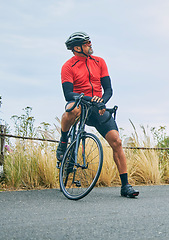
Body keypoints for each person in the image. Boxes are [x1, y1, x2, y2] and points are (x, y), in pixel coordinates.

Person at [56, 32, 139, 198]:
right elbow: (68, 94)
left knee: (117, 141)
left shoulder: (100, 62)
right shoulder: (68, 66)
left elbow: (108, 89)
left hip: (98, 107)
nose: (90, 44)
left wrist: (101, 102)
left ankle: (125, 186)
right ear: (77, 48)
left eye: (89, 41)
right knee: (72, 109)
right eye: (86, 43)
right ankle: (64, 140)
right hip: (80, 102)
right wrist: (88, 99)